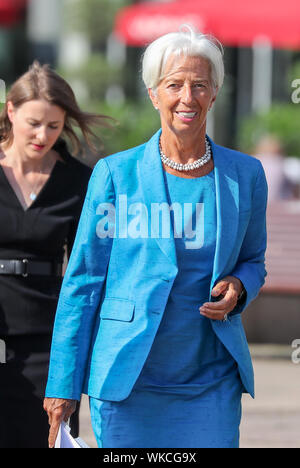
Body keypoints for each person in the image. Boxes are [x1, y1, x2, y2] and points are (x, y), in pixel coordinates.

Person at [44, 26, 268, 449]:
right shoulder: (115, 175)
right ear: (153, 94)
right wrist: (63, 383)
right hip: (128, 381)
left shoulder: (245, 175)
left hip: (211, 381)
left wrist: (240, 286)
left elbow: (253, 259)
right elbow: (83, 285)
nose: (188, 97)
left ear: (214, 93)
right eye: (174, 85)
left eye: (200, 85)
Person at [0, 61, 109, 448]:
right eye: (33, 122)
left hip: (50, 341)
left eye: (54, 125)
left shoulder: (80, 180)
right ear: (11, 111)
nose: (42, 135)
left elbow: (88, 268)